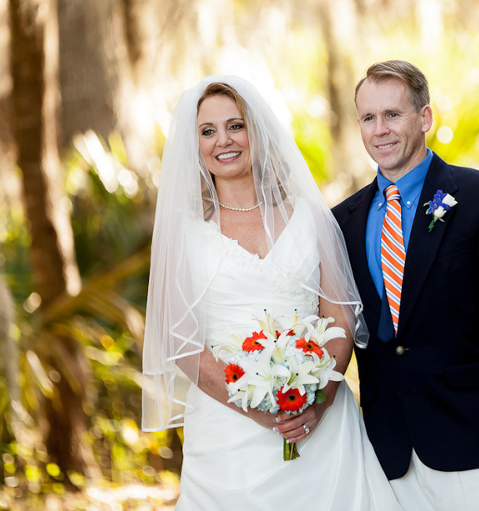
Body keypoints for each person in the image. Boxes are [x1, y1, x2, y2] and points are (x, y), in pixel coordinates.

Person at [142, 75, 402, 510]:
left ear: (256, 132)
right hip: (228, 440)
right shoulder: (184, 234)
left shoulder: (309, 217)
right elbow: (181, 342)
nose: (223, 140)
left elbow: (340, 319)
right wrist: (257, 408)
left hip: (323, 427)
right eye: (208, 131)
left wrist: (319, 400)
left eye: (235, 125)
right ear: (195, 144)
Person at [332, 60, 479, 510]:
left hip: (476, 435)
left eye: (393, 115)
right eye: (369, 118)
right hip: (389, 447)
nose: (380, 130)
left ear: (424, 118)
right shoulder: (342, 222)